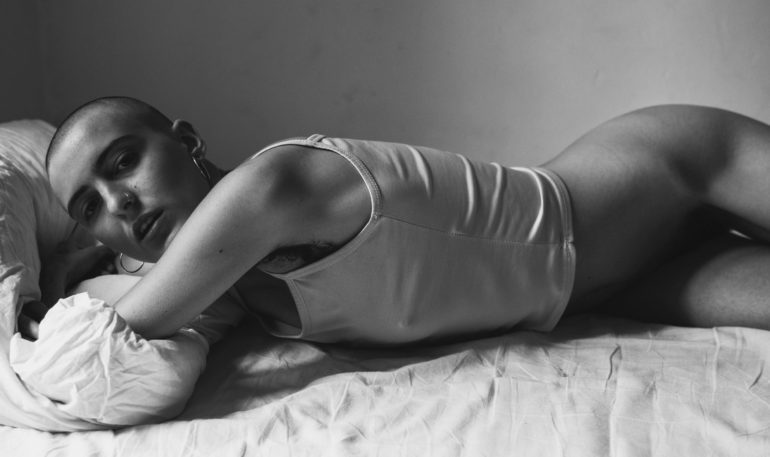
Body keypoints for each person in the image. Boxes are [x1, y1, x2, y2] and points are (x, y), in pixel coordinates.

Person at [41, 97, 770, 344]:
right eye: (89, 208)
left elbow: (113, 332)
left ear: (188, 141)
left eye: (123, 162)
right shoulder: (219, 287)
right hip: (603, 289)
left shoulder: (264, 188)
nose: (119, 203)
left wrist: (51, 290)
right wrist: (84, 268)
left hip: (667, 170)